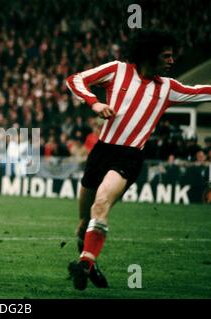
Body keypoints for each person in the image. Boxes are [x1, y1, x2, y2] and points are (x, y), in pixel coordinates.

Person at [65, 29, 211, 290]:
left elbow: (203, 90)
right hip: (101, 151)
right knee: (82, 224)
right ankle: (90, 261)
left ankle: (86, 263)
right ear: (149, 55)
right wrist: (94, 103)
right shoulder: (117, 70)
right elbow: (75, 79)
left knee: (101, 203)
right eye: (166, 56)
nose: (171, 61)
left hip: (129, 157)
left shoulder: (168, 88)